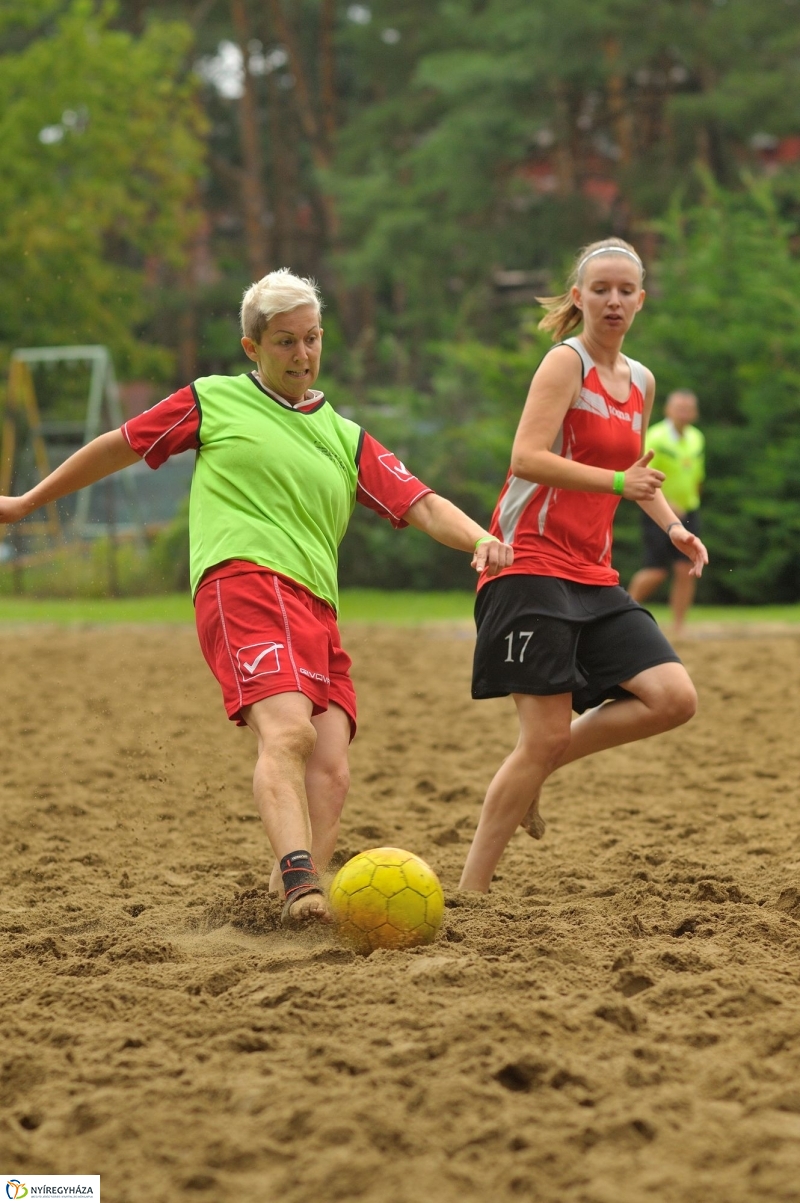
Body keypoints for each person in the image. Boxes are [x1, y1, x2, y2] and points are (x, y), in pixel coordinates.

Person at [0, 269, 513, 924]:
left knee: (332, 769)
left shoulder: (346, 436)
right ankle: (302, 885)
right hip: (242, 584)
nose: (302, 354)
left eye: (312, 338)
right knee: (290, 732)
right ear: (252, 347)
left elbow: (423, 504)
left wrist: (481, 538)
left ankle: (283, 904)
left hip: (317, 607)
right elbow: (117, 447)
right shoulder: (212, 400)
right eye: (285, 341)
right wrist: (27, 502)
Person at [459, 238, 708, 894]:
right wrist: (619, 484)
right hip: (529, 563)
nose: (613, 300)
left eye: (626, 290)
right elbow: (527, 458)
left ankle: (537, 767)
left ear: (641, 300)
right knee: (539, 739)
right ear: (579, 297)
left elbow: (636, 476)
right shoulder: (564, 363)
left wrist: (674, 527)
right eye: (601, 289)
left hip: (593, 574)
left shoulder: (642, 381)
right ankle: (472, 896)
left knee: (674, 698)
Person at [627, 390, 705, 635]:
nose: (684, 413)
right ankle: (623, 614)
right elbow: (643, 474)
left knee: (687, 569)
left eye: (688, 408)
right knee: (656, 571)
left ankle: (679, 629)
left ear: (695, 413)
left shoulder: (697, 438)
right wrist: (669, 504)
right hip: (658, 512)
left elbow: (697, 475)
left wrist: (692, 499)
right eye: (679, 407)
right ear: (668, 410)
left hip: (690, 511)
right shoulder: (656, 437)